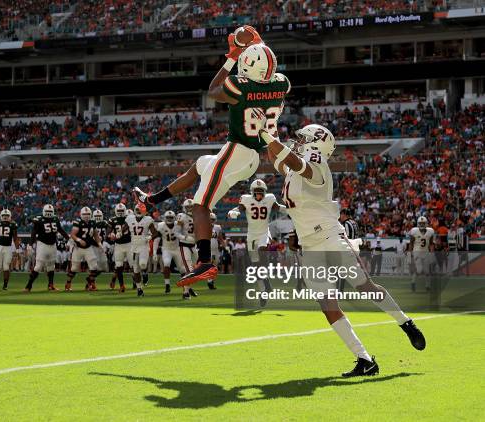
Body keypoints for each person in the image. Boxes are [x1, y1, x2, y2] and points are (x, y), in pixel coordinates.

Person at [261, 123, 425, 377]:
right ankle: (365, 359)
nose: (297, 142)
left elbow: (291, 160)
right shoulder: (296, 167)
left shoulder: (316, 165)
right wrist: (266, 131)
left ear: (314, 142)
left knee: (365, 287)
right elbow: (279, 159)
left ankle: (406, 323)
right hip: (309, 244)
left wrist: (270, 138)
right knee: (328, 304)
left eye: (301, 139)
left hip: (329, 236)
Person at [134, 25, 290, 288]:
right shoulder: (282, 83)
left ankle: (205, 263)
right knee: (199, 165)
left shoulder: (241, 86)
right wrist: (256, 44)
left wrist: (231, 56)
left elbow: (214, 89)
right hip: (251, 155)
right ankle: (152, 200)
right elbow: (266, 66)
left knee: (201, 206)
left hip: (237, 151)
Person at [24, 204, 70, 292]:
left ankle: (50, 285)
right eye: (47, 212)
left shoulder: (55, 219)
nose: (49, 214)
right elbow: (33, 233)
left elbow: (60, 230)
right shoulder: (39, 220)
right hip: (42, 244)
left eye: (50, 212)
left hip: (53, 245)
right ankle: (28, 286)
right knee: (38, 266)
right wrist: (30, 244)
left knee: (51, 266)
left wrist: (69, 239)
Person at [65, 207, 100, 292]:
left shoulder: (92, 222)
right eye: (84, 214)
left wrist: (99, 244)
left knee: (94, 266)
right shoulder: (78, 222)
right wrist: (79, 240)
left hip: (88, 247)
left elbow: (95, 235)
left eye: (88, 214)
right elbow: (73, 234)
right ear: (81, 214)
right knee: (74, 268)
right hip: (78, 248)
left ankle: (91, 284)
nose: (86, 216)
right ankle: (68, 283)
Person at [126, 204, 157, 297]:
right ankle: (139, 289)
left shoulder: (148, 220)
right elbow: (124, 229)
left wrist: (150, 237)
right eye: (137, 210)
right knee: (135, 269)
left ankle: (145, 273)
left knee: (142, 264)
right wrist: (118, 234)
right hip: (134, 246)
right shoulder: (130, 219)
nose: (139, 211)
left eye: (140, 210)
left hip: (143, 246)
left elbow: (155, 233)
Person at [0, 209, 19, 290]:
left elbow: (15, 238)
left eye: (7, 216)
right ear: (1, 216)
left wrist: (17, 249)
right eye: (4, 216)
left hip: (8, 247)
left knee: (6, 267)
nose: (5, 217)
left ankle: (5, 285)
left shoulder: (12, 224)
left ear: (9, 216)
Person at [408, 216, 435, 292]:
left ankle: (427, 286)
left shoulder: (430, 231)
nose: (422, 225)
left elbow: (432, 243)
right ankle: (413, 282)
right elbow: (411, 243)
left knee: (427, 271)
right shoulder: (414, 231)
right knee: (419, 270)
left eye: (423, 223)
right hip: (417, 252)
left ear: (426, 223)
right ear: (418, 224)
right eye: (421, 223)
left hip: (426, 252)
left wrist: (432, 252)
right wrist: (409, 253)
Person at [108, 203, 131, 293]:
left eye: (122, 211)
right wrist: (111, 234)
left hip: (129, 244)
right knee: (119, 266)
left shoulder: (129, 218)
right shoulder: (112, 220)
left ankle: (137, 284)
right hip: (118, 245)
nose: (120, 213)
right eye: (119, 211)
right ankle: (122, 285)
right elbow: (108, 231)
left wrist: (120, 232)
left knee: (133, 265)